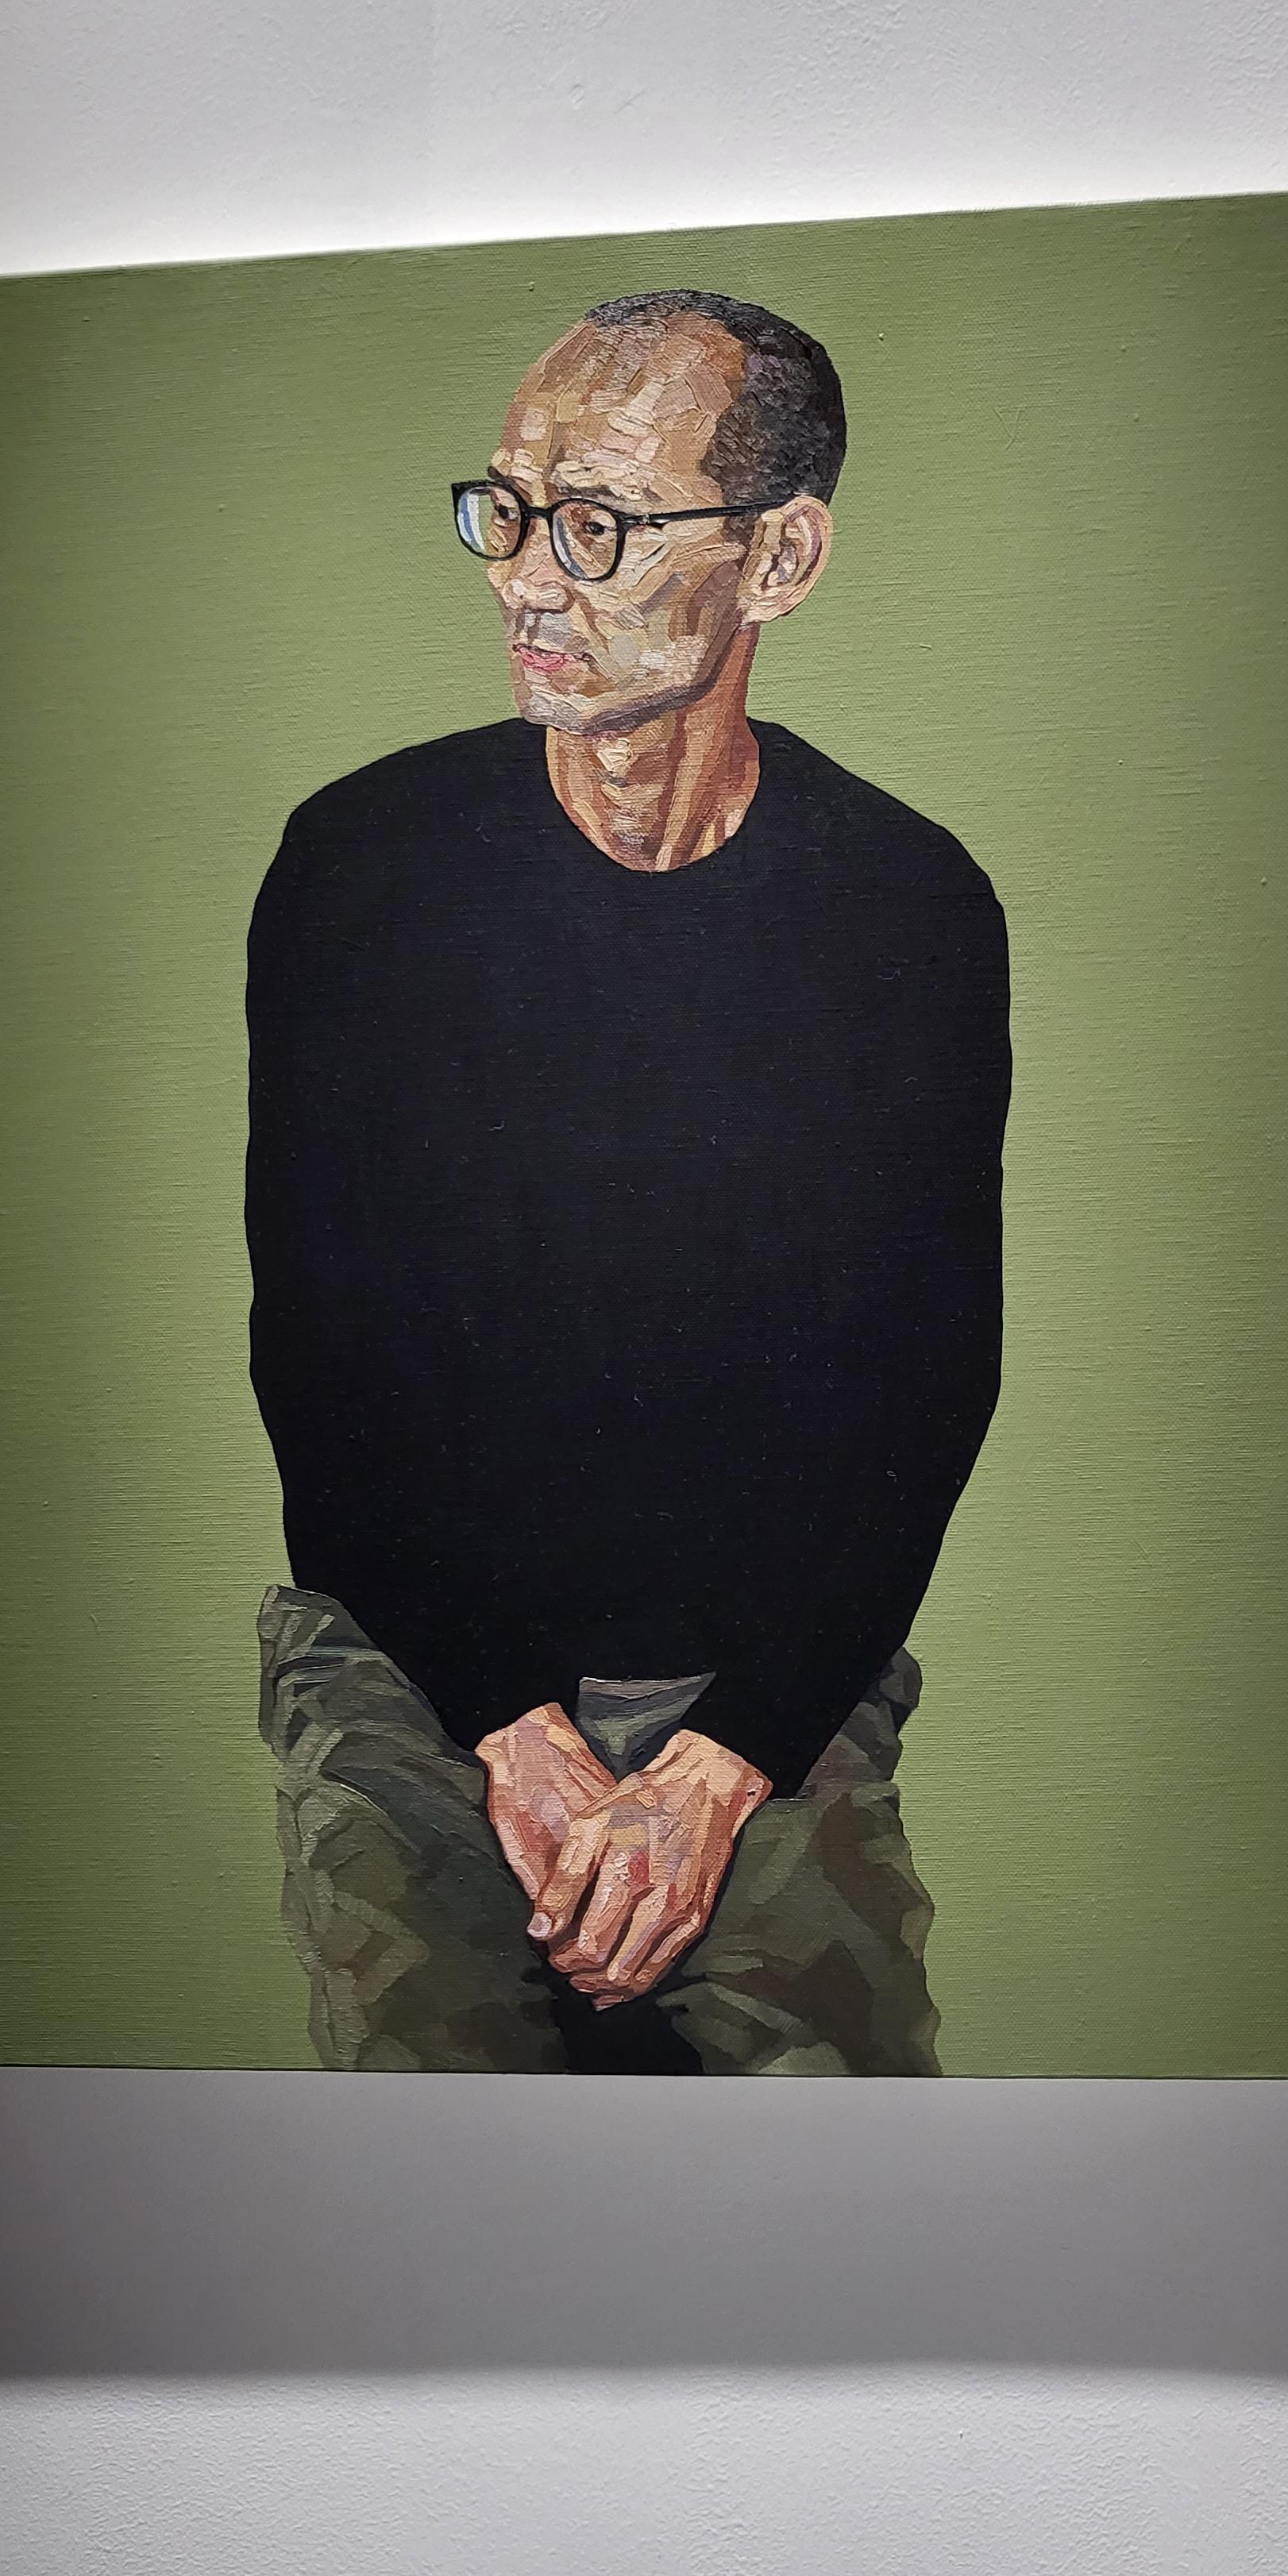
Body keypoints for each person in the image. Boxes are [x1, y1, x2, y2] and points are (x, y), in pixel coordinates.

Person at [245, 287, 1011, 2075]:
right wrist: (513, 1734)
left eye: (594, 523)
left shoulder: (904, 909)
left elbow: (923, 1384)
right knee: (433, 2152)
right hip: (414, 1659)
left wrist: (722, 1767)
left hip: (769, 1680)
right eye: (506, 511)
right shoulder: (361, 871)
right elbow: (325, 1365)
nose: (524, 578)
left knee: (837, 2144)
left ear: (779, 558)